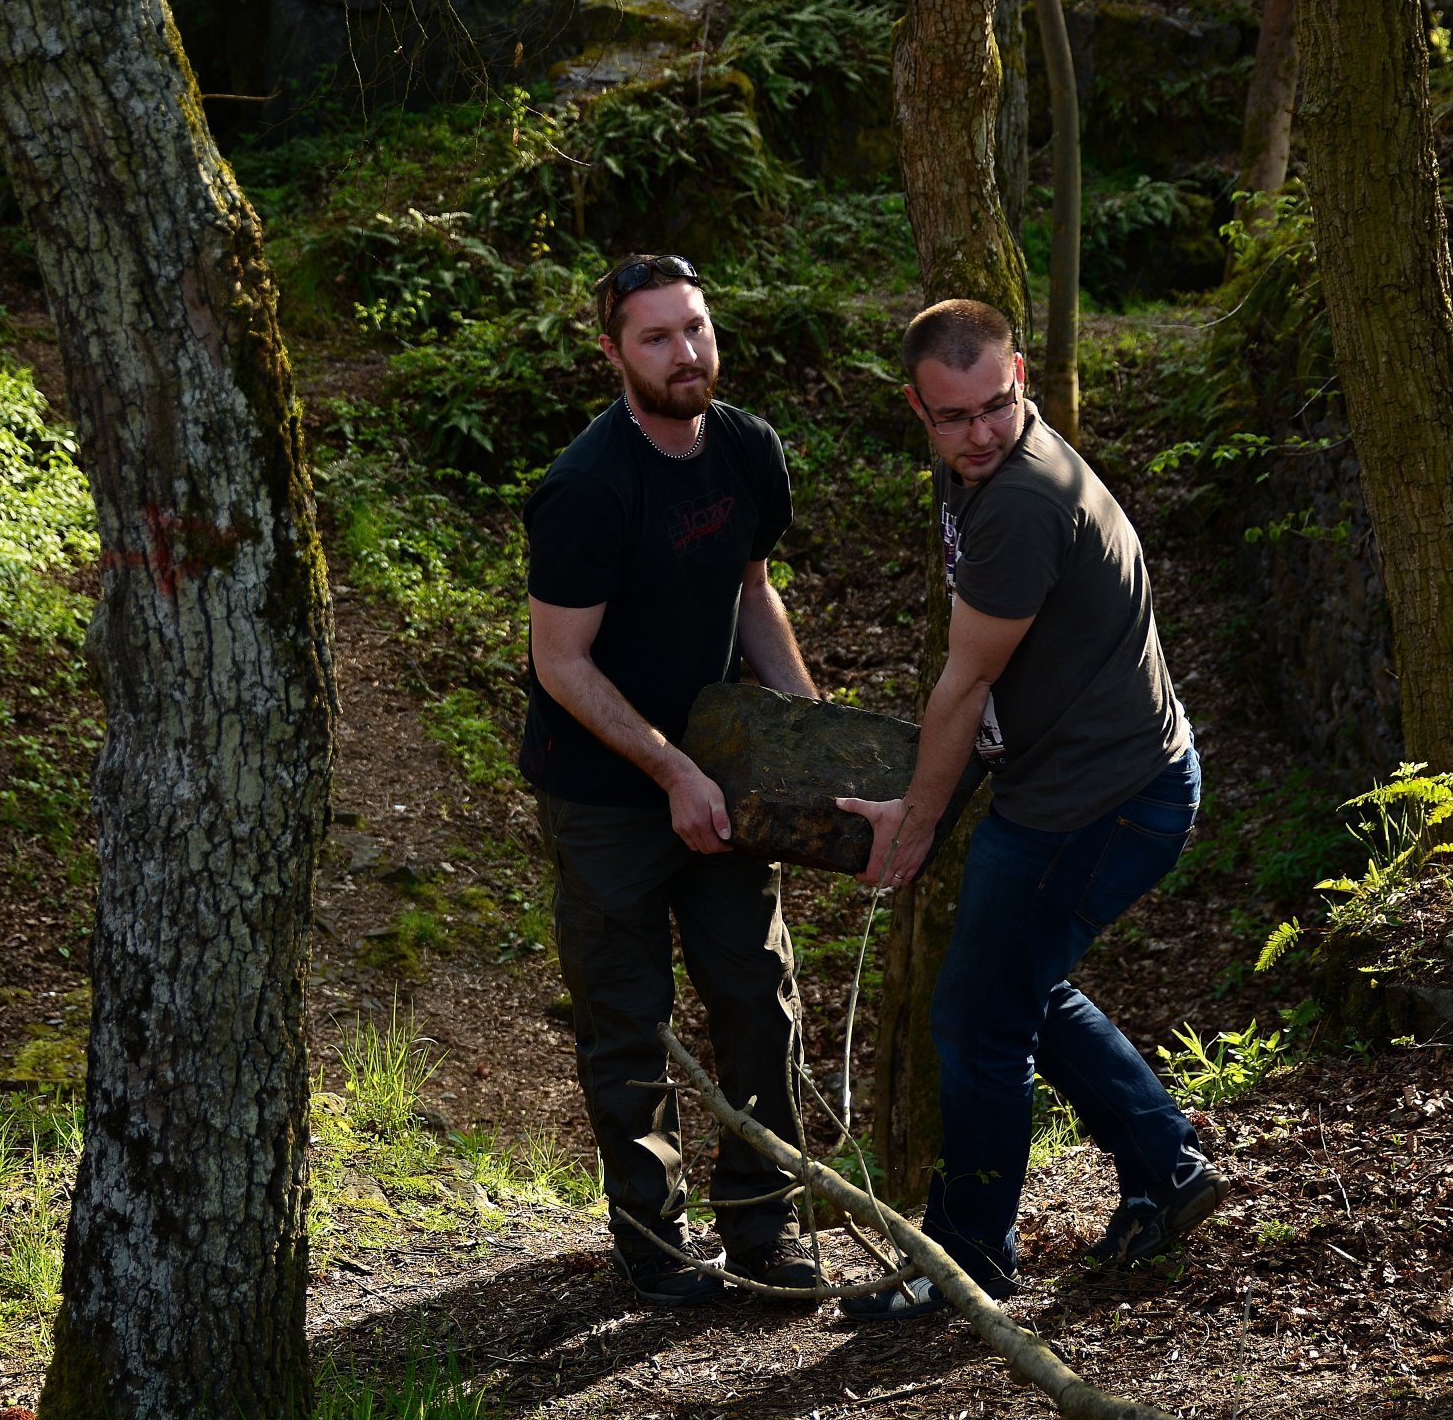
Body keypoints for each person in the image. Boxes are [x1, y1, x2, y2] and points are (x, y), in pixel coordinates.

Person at [835, 298, 1225, 1321]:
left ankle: (965, 1266)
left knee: (977, 1020)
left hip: (1102, 804)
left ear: (1024, 382)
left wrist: (914, 826)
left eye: (995, 406)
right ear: (916, 409)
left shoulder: (1017, 501)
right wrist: (922, 799)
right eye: (952, 416)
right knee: (1015, 988)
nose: (978, 432)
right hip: (1101, 784)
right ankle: (1165, 1163)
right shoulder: (981, 475)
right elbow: (986, 688)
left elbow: (963, 687)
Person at [520, 252, 819, 1307]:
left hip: (721, 774)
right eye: (656, 337)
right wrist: (669, 770)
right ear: (612, 354)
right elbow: (562, 664)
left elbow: (753, 592)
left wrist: (806, 735)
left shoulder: (746, 450)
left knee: (759, 1000)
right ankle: (655, 1244)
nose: (685, 353)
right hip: (602, 789)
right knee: (627, 1015)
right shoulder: (588, 488)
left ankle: (767, 1228)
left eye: (694, 327)